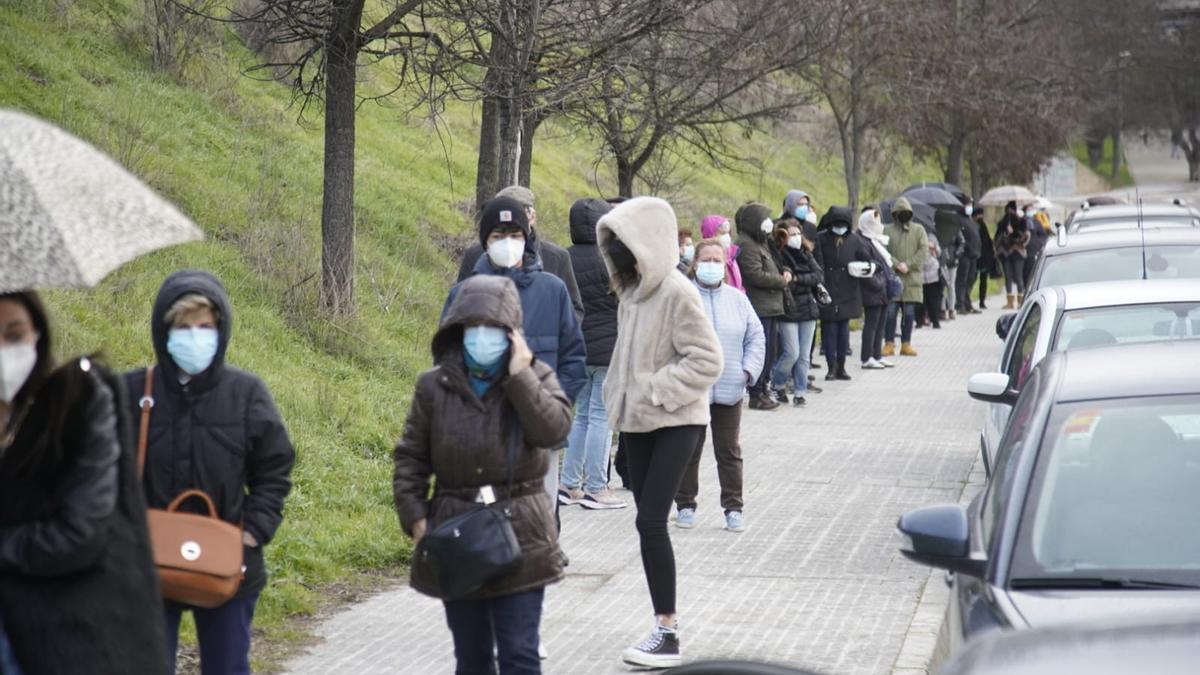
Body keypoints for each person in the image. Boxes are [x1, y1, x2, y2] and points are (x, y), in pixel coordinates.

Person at [394, 275, 571, 675]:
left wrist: (520, 377)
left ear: (512, 334)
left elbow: (554, 431)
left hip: (522, 530)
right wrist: (416, 518)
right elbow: (410, 458)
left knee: (519, 655)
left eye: (493, 329)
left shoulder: (535, 375)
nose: (482, 338)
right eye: (473, 329)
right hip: (457, 530)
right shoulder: (433, 386)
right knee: (471, 659)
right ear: (458, 332)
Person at [124, 270, 295, 675]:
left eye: (204, 326)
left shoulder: (246, 393)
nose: (194, 336)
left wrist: (252, 532)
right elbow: (97, 468)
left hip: (228, 565)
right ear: (164, 331)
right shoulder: (131, 392)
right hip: (145, 564)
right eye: (183, 327)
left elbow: (275, 468)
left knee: (228, 667)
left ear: (221, 329)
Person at [0, 291, 170, 674]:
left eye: (14, 334)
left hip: (69, 636)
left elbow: (80, 531)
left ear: (38, 335)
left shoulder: (79, 402)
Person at [597, 197, 722, 669]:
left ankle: (667, 632)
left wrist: (653, 390)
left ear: (645, 244)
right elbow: (622, 360)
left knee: (651, 521)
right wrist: (618, 401)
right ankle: (660, 623)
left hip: (677, 420)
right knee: (644, 523)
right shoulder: (630, 293)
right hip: (638, 424)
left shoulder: (677, 291)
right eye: (612, 245)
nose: (617, 254)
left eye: (624, 244)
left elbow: (708, 361)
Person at [447, 196, 588, 528]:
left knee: (537, 527)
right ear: (485, 242)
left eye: (514, 234)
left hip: (538, 434)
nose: (507, 243)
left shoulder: (552, 291)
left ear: (527, 238)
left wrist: (553, 406)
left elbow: (574, 358)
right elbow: (447, 358)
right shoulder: (465, 294)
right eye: (498, 236)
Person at [674, 239, 764, 532]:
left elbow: (756, 337)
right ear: (695, 263)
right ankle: (685, 504)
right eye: (706, 259)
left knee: (729, 452)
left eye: (717, 260)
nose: (712, 265)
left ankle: (733, 508)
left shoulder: (737, 299)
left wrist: (747, 372)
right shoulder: (682, 297)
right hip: (693, 390)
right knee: (688, 450)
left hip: (729, 389)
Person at [561, 198, 625, 510]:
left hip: (576, 346)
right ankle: (597, 487)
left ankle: (569, 483)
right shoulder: (611, 259)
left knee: (581, 415)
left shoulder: (563, 257)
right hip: (609, 348)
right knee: (602, 416)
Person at [456, 186, 584, 321]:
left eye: (519, 212)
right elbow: (459, 305)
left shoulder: (556, 257)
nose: (512, 219)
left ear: (532, 216)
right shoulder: (475, 255)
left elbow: (575, 310)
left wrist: (551, 330)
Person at [735, 202, 790, 409]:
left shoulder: (760, 242)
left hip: (770, 306)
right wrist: (781, 281)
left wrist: (782, 271)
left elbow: (772, 264)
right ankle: (756, 393)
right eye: (764, 218)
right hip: (760, 307)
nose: (769, 222)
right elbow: (754, 274)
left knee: (771, 352)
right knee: (761, 351)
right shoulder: (747, 244)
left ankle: (764, 388)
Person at [813, 206, 873, 380]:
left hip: (848, 290)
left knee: (843, 331)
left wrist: (867, 267)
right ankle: (831, 366)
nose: (840, 228)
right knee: (830, 330)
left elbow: (866, 259)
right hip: (828, 289)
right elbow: (819, 263)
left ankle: (842, 366)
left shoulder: (854, 240)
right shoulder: (821, 239)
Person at [772, 219, 825, 403]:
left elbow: (818, 275)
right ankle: (777, 383)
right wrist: (800, 280)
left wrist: (797, 278)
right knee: (791, 353)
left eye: (797, 234)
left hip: (808, 309)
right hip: (788, 308)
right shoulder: (778, 254)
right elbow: (786, 282)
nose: (795, 238)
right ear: (783, 236)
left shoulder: (806, 252)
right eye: (791, 234)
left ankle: (800, 391)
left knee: (803, 356)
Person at [883, 197, 929, 358]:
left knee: (909, 314)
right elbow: (882, 250)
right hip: (893, 279)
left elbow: (923, 251)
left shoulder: (919, 230)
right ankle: (889, 343)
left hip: (912, 280)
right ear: (895, 214)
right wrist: (896, 264)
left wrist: (908, 265)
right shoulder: (887, 230)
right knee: (890, 313)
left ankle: (906, 343)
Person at [857, 208, 895, 369]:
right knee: (871, 325)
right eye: (874, 222)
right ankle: (867, 357)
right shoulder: (863, 242)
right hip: (873, 291)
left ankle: (877, 355)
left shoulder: (876, 241)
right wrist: (878, 284)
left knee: (880, 325)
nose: (878, 225)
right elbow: (867, 268)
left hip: (883, 291)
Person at [995, 200, 1029, 308]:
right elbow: (998, 237)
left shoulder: (1022, 221)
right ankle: (1010, 301)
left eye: (1011, 210)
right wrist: (1006, 233)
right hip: (1006, 253)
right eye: (1008, 210)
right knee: (1008, 276)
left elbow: (1025, 235)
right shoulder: (1003, 222)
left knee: (1018, 276)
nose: (1009, 212)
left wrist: (1014, 232)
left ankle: (1020, 301)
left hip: (1018, 252)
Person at [698, 215, 744, 291]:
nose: (727, 237)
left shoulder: (731, 255)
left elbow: (738, 284)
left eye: (728, 233)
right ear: (711, 235)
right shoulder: (706, 260)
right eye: (723, 233)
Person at [957, 204, 982, 313]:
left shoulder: (971, 221)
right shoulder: (959, 220)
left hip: (974, 255)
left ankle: (967, 302)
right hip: (965, 255)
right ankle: (960, 304)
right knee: (962, 280)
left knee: (971, 279)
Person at [1025, 206, 1052, 290]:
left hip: (1033, 251)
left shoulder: (1037, 222)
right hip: (1022, 251)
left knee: (1031, 271)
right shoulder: (1022, 221)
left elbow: (1043, 236)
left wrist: (1038, 245)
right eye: (1027, 210)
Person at [975, 206, 996, 310]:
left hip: (981, 258)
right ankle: (980, 301)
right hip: (980, 258)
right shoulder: (979, 226)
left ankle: (981, 301)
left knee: (979, 280)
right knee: (978, 280)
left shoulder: (981, 226)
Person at [920, 239, 944, 329]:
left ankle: (935, 321)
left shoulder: (932, 237)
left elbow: (939, 252)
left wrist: (934, 248)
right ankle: (920, 320)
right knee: (921, 301)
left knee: (933, 300)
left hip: (933, 276)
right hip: (921, 276)